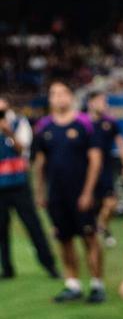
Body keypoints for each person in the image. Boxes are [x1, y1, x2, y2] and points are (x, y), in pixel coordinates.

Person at [32, 81, 104, 303]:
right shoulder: (43, 126)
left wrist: (88, 191)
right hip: (57, 194)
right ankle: (72, 283)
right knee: (63, 239)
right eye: (54, 94)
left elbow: (95, 159)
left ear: (71, 97)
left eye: (63, 92)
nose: (58, 97)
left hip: (81, 192)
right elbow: (39, 162)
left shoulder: (85, 123)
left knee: (89, 237)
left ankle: (96, 284)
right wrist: (40, 191)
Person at [0, 97, 58, 279]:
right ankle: (7, 269)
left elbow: (23, 150)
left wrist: (8, 132)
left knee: (33, 226)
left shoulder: (18, 122)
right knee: (1, 230)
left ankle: (50, 265)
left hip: (19, 185)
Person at [85, 91, 123, 245]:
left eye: (105, 101)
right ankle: (95, 231)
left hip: (106, 169)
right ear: (91, 103)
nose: (105, 104)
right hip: (86, 171)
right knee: (90, 204)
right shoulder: (82, 122)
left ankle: (101, 226)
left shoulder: (110, 123)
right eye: (101, 101)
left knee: (111, 203)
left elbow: (121, 144)